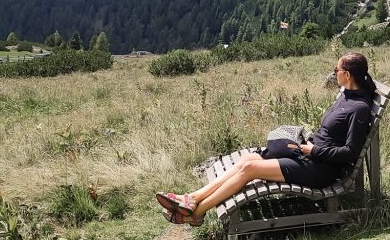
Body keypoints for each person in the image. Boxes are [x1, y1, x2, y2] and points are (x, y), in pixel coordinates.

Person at [156, 51, 376, 226]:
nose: (334, 72)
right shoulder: (346, 96)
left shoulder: (359, 108)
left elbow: (350, 152)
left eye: (336, 69)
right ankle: (193, 198)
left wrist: (313, 151)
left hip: (320, 170)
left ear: (347, 75)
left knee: (249, 170)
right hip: (309, 157)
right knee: (248, 160)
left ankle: (195, 214)